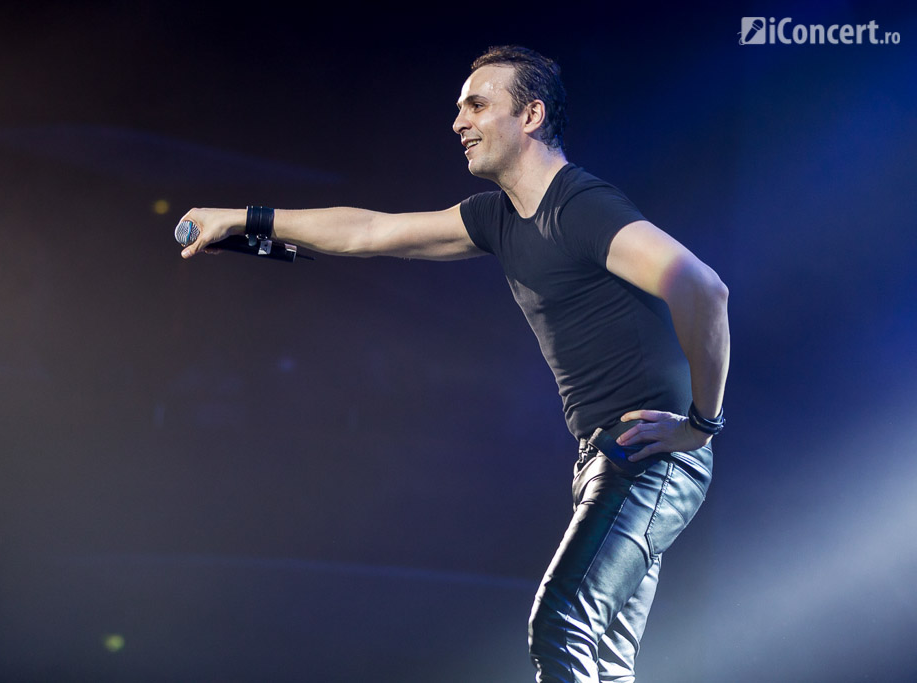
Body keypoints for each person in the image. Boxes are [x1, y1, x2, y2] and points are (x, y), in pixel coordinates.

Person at [178, 45, 730, 683]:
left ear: (530, 115)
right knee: (605, 661)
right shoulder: (498, 219)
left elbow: (703, 289)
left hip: (649, 456)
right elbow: (369, 232)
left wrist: (701, 424)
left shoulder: (580, 206)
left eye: (476, 105)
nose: (458, 121)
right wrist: (243, 220)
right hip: (607, 456)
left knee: (563, 623)